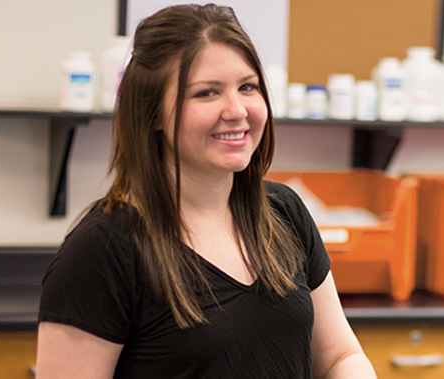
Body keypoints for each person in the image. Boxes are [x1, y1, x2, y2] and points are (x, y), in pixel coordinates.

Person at [35, 4, 377, 378]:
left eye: (247, 87)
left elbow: (340, 357)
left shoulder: (284, 213)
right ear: (151, 115)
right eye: (206, 93)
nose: (237, 110)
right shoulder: (103, 251)